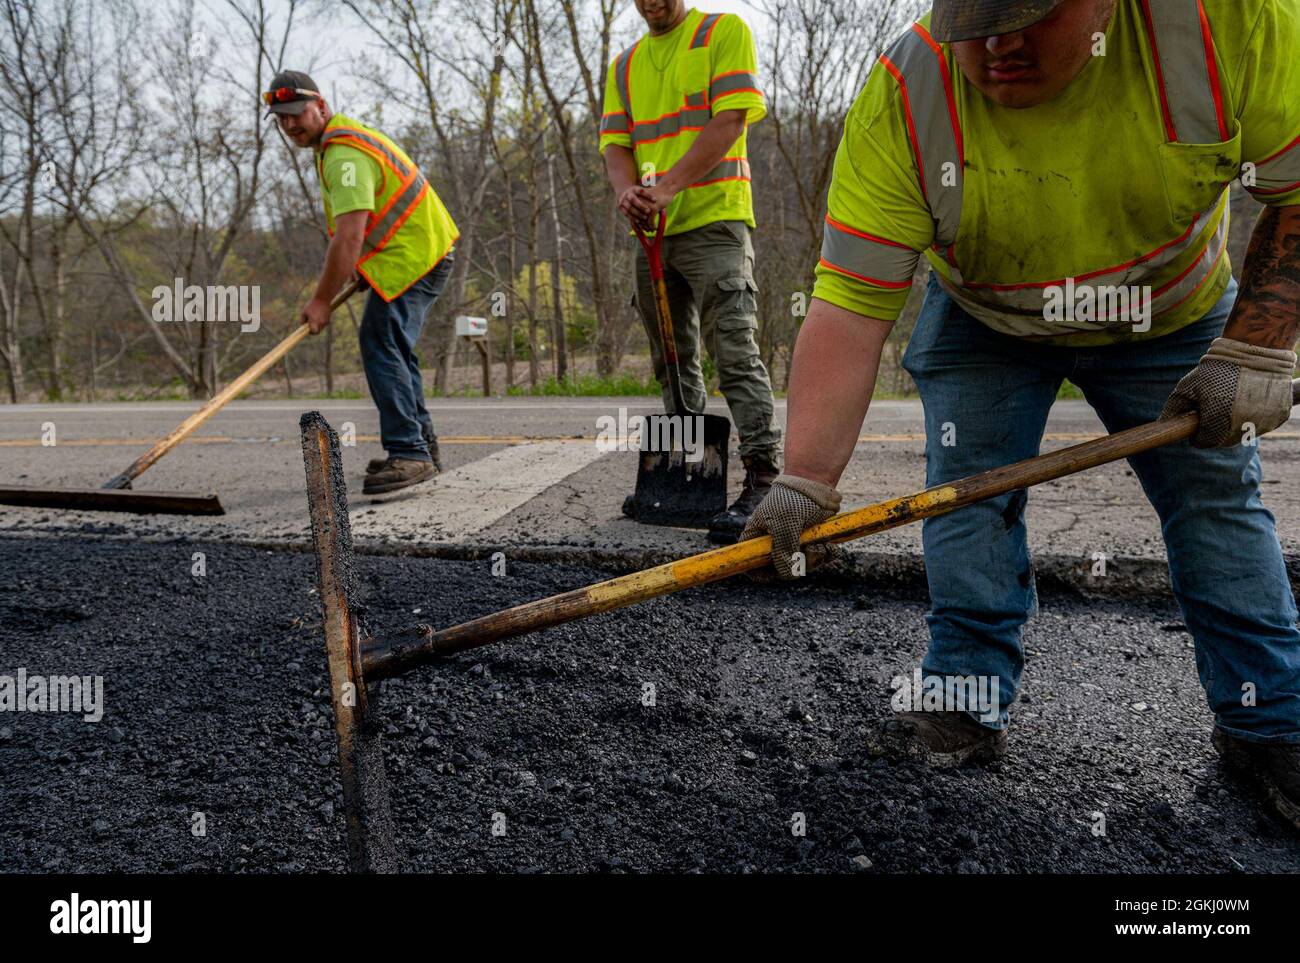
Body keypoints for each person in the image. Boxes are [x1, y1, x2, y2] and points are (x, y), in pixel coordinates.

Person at [742, 0, 1300, 829]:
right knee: (966, 495)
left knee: (1214, 501)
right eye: (976, 15)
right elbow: (853, 304)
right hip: (988, 317)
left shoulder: (1230, 23)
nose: (999, 40)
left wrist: (1257, 344)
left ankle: (1271, 721)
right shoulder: (909, 88)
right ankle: (964, 696)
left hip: (1167, 312)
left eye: (1030, 12)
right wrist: (805, 478)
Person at [600, 2, 783, 542]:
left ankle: (765, 476)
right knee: (670, 356)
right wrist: (628, 193)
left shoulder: (721, 32)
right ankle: (684, 476)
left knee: (734, 350)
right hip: (653, 232)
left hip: (716, 223)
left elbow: (730, 120)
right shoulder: (625, 65)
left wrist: (668, 187)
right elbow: (616, 143)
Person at [266, 70, 458, 495]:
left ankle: (411, 452)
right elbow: (360, 231)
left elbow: (349, 236)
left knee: (380, 342)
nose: (292, 125)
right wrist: (360, 266)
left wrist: (320, 300)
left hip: (417, 256)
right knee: (391, 346)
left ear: (321, 105)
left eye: (297, 114)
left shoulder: (343, 156)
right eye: (282, 119)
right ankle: (419, 446)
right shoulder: (334, 145)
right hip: (413, 253)